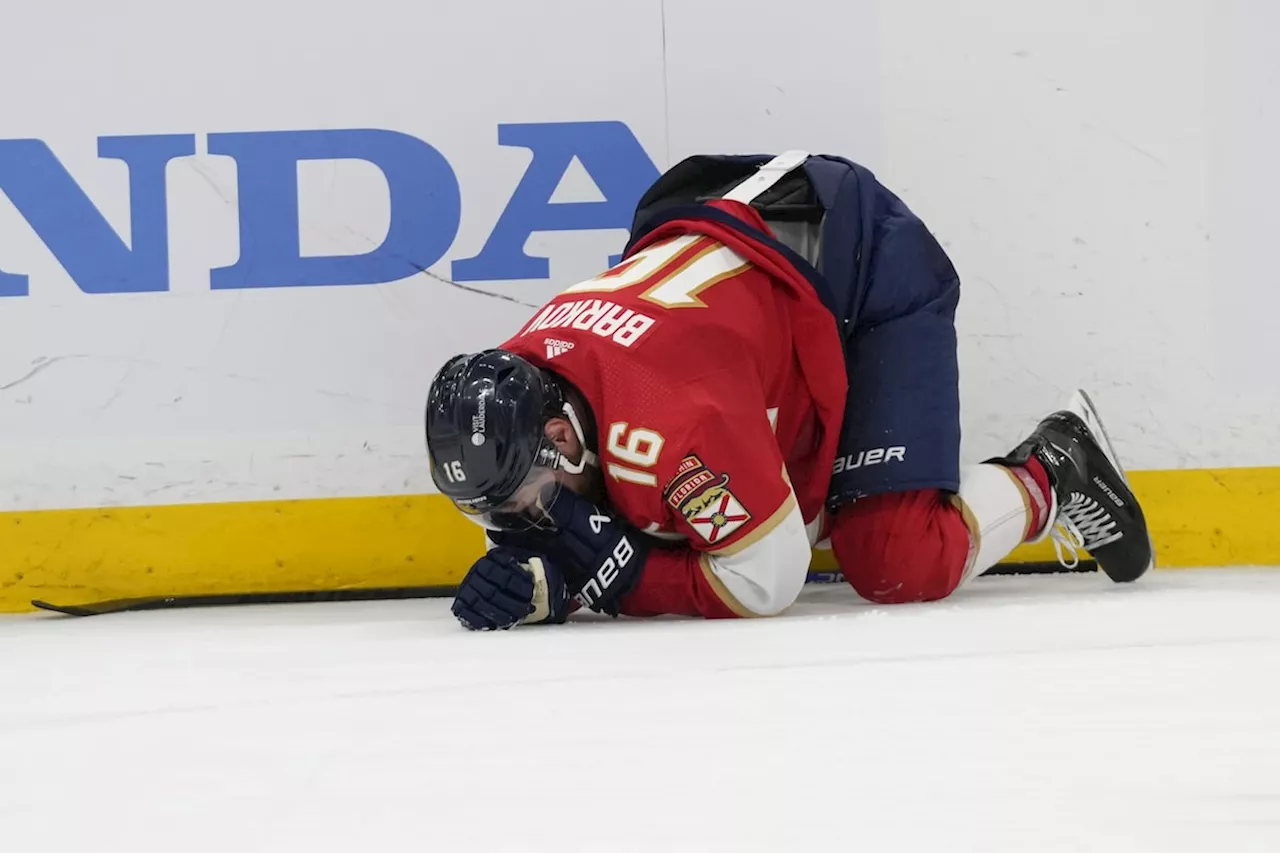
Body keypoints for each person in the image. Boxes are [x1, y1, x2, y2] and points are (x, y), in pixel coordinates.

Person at [424, 151, 1155, 631]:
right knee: (668, 507)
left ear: (560, 437)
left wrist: (620, 580)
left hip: (860, 267)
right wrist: (562, 577)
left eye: (519, 504)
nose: (512, 524)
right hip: (731, 239)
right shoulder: (521, 392)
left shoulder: (677, 419)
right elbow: (580, 512)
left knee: (895, 559)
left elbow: (768, 579)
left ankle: (1054, 465)